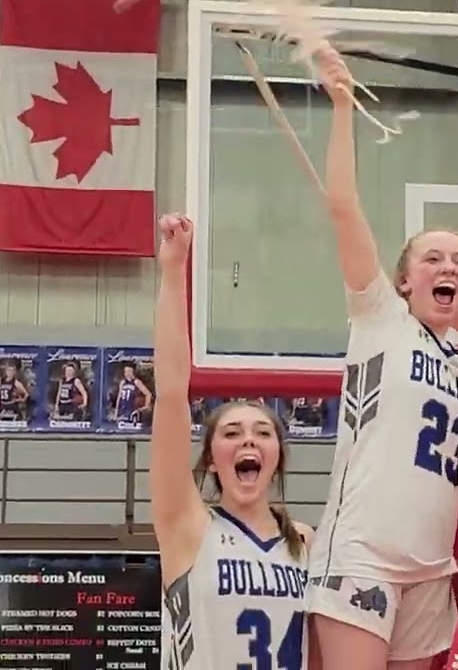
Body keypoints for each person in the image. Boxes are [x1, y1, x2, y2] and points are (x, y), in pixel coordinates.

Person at [305, 47, 458, 670]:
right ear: (403, 281)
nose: (448, 266)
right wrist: (342, 106)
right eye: (432, 258)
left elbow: (431, 441)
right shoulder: (380, 318)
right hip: (363, 553)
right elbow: (343, 207)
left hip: (430, 561)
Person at [150, 213, 317, 670]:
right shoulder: (187, 526)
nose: (249, 440)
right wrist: (174, 271)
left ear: (277, 456)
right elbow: (169, 393)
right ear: (211, 457)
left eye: (263, 433)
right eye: (232, 432)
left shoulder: (305, 541)